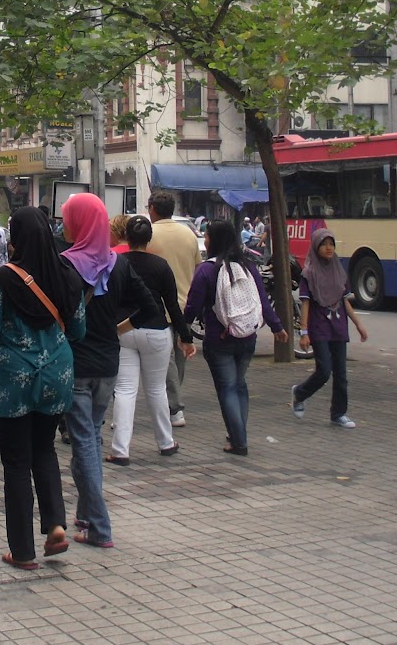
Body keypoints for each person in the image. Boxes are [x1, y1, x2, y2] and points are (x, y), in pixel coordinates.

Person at [0, 206, 85, 568]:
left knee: (17, 463)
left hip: (14, 379)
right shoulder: (68, 274)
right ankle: (55, 525)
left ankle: (22, 550)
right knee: (46, 451)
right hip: (57, 375)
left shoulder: (3, 278)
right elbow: (80, 330)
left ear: (16, 238)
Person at [59, 193, 155, 549]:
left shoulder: (65, 265)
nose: (65, 223)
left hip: (76, 364)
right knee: (92, 439)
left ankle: (100, 527)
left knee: (84, 442)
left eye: (69, 217)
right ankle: (85, 517)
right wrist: (119, 328)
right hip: (108, 365)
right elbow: (149, 307)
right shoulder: (120, 264)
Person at [184, 220, 288, 456]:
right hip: (247, 337)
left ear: (214, 240)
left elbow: (192, 306)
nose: (206, 240)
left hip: (218, 339)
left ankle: (239, 441)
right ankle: (237, 434)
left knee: (228, 389)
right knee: (239, 385)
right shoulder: (248, 266)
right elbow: (261, 300)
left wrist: (184, 331)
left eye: (207, 236)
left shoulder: (206, 270)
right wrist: (276, 327)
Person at [109, 215, 196, 465]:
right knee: (156, 389)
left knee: (125, 389)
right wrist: (186, 337)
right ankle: (166, 442)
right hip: (157, 330)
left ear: (126, 235)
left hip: (123, 331)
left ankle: (120, 449)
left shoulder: (116, 263)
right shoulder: (161, 265)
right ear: (149, 238)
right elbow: (172, 306)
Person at [290, 228, 369, 428]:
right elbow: (306, 303)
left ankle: (338, 413)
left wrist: (358, 324)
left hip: (338, 326)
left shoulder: (338, 271)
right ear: (316, 247)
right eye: (324, 244)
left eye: (331, 244)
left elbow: (344, 301)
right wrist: (304, 332)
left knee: (341, 374)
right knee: (324, 370)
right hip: (319, 327)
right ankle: (300, 393)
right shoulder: (309, 273)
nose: (328, 248)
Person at [145, 192, 201, 428]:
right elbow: (197, 268)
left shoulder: (150, 235)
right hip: (185, 305)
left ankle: (175, 406)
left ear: (153, 209)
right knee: (179, 357)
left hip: (159, 306)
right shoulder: (188, 234)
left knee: (165, 358)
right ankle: (172, 404)